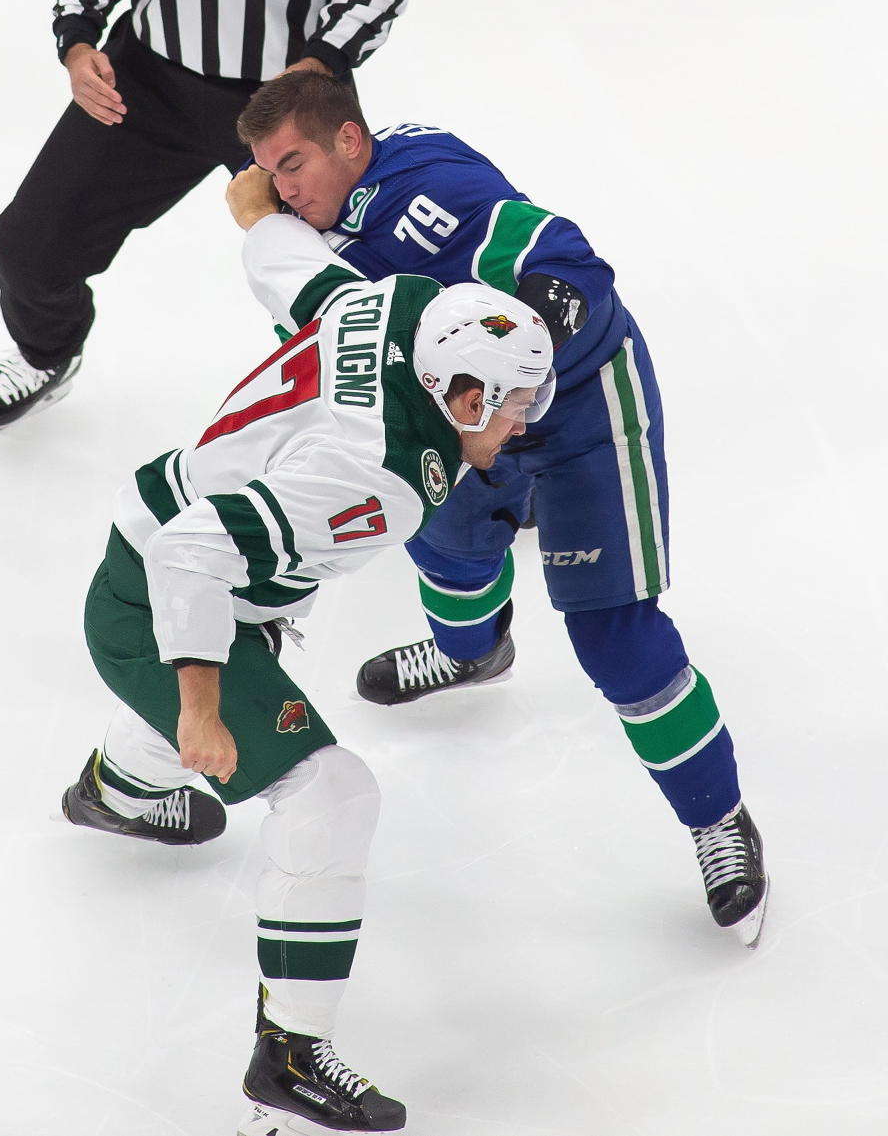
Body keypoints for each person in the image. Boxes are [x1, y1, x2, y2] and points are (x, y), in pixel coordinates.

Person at [60, 169, 554, 1134]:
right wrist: (199, 704)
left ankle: (112, 790)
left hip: (177, 548)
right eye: (512, 404)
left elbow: (290, 264)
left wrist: (254, 210)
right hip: (154, 590)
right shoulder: (376, 481)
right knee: (331, 792)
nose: (523, 422)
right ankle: (287, 1055)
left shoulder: (390, 306)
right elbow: (195, 552)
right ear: (458, 391)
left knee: (246, 699)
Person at [230, 71, 770, 948]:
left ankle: (718, 816)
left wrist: (526, 353)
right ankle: (472, 655)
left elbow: (565, 260)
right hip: (461, 417)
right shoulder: (311, 224)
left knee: (616, 638)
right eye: (269, 176)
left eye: (293, 165)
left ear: (352, 143)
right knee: (449, 557)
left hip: (581, 400)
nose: (284, 191)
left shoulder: (423, 194)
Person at [0, 0, 414, 444]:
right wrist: (78, 37)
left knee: (357, 261)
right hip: (144, 81)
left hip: (290, 95)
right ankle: (45, 353)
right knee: (31, 243)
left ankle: (388, 404)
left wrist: (321, 61)